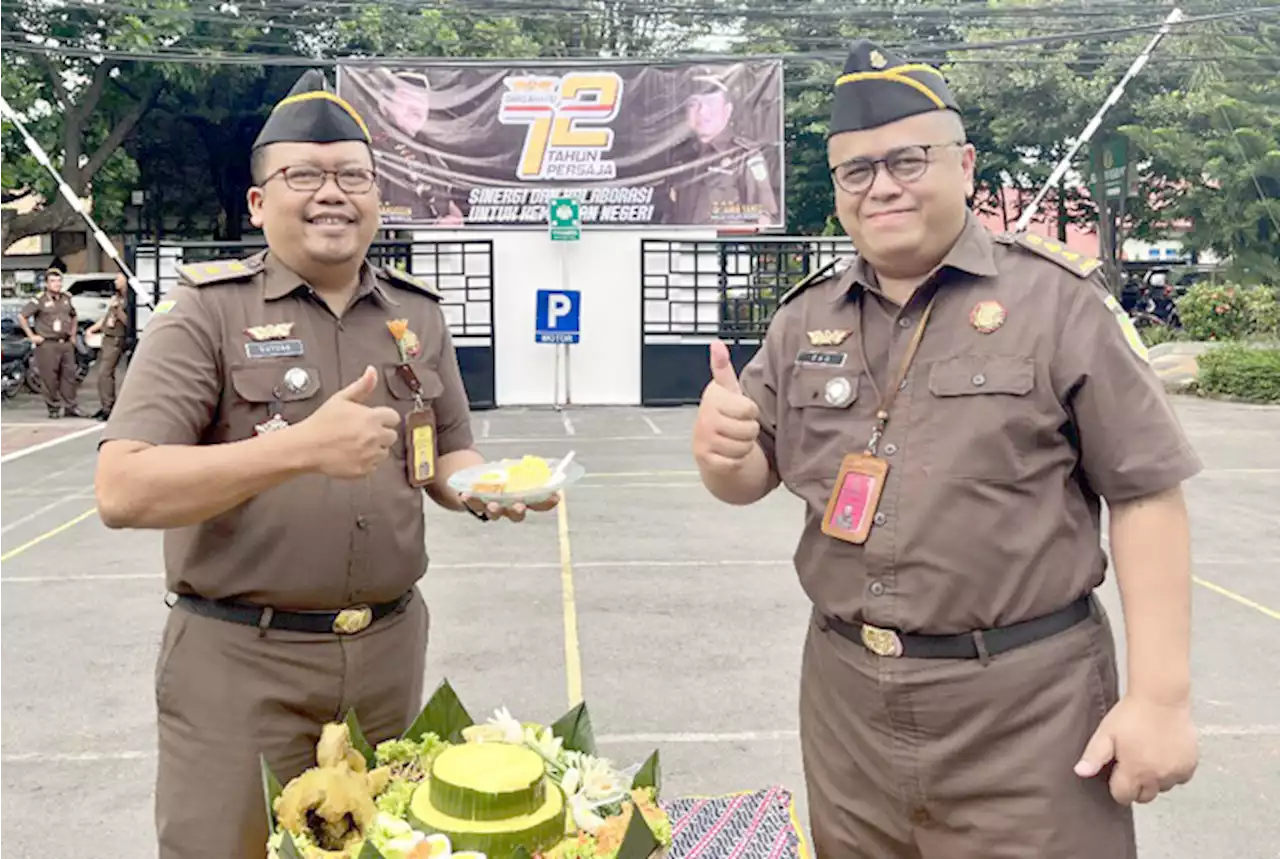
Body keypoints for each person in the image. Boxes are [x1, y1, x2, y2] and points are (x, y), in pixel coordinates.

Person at [691, 39, 1200, 859]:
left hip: (1027, 706)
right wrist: (723, 454)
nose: (882, 186)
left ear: (963, 164)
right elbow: (754, 474)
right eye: (857, 170)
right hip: (847, 698)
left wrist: (1161, 697)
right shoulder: (802, 319)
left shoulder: (1057, 304)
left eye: (907, 160)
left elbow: (1145, 493)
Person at [93, 68, 556, 859]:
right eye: (302, 175)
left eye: (351, 175)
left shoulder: (417, 314)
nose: (331, 193)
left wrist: (481, 487)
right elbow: (123, 487)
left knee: (388, 846)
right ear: (257, 202)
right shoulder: (208, 312)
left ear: (378, 195)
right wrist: (298, 448)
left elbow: (444, 450)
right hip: (242, 664)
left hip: (386, 656)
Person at [666, 67, 780, 228]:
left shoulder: (744, 155)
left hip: (727, 247)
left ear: (727, 110)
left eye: (711, 103)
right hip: (681, 247)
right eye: (694, 104)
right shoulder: (678, 155)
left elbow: (764, 216)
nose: (702, 111)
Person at [368, 69, 467, 226]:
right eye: (406, 98)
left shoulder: (432, 153)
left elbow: (447, 202)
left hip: (436, 246)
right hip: (396, 244)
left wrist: (455, 219)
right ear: (384, 104)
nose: (416, 106)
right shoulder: (373, 149)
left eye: (421, 99)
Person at [18, 267, 82, 418]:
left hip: (65, 343)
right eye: (53, 281)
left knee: (69, 376)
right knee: (49, 378)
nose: (57, 284)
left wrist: (73, 335)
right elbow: (22, 316)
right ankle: (53, 407)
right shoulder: (39, 300)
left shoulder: (66, 298)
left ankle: (70, 406)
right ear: (47, 284)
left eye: (59, 281)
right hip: (48, 343)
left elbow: (74, 316)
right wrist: (31, 335)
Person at [86, 271, 129, 420]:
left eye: (119, 278)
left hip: (117, 338)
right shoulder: (116, 297)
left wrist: (118, 309)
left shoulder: (129, 299)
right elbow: (107, 317)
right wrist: (93, 328)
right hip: (107, 337)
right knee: (103, 373)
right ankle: (106, 404)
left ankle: (108, 407)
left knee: (105, 373)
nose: (116, 281)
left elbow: (129, 322)